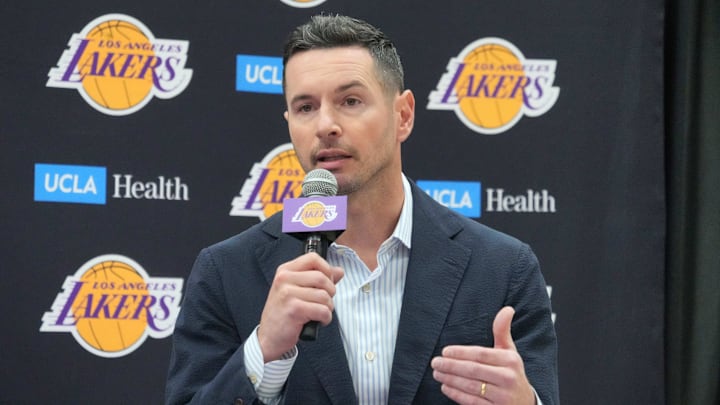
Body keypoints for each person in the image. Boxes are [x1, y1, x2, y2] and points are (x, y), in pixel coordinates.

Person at [165, 14, 559, 405]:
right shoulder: (227, 272)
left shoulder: (504, 268)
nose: (325, 125)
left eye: (350, 101)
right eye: (305, 107)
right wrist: (263, 349)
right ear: (288, 123)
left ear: (402, 115)